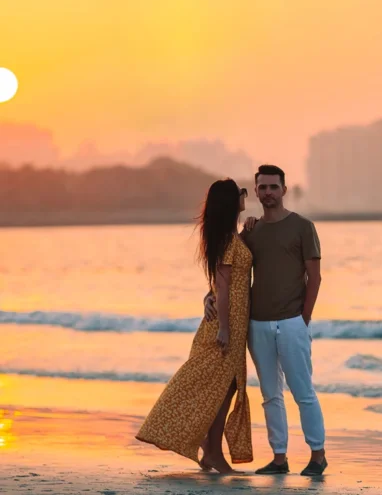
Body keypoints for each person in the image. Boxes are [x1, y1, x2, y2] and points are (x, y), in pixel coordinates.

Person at [204, 164, 327, 476]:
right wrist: (208, 296)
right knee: (270, 394)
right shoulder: (252, 232)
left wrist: (304, 319)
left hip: (292, 323)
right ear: (256, 191)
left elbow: (315, 277)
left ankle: (317, 455)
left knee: (303, 392)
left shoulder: (303, 227)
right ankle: (279, 458)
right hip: (256, 325)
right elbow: (229, 272)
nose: (269, 192)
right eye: (263, 187)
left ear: (284, 190)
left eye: (274, 187)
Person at [136, 179, 253, 473]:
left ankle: (212, 451)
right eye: (241, 193)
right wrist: (224, 328)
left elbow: (218, 285)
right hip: (226, 325)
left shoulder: (231, 236)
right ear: (230, 202)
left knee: (225, 388)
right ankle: (213, 453)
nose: (245, 197)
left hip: (233, 323)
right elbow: (224, 289)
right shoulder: (227, 240)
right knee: (219, 387)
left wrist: (209, 297)